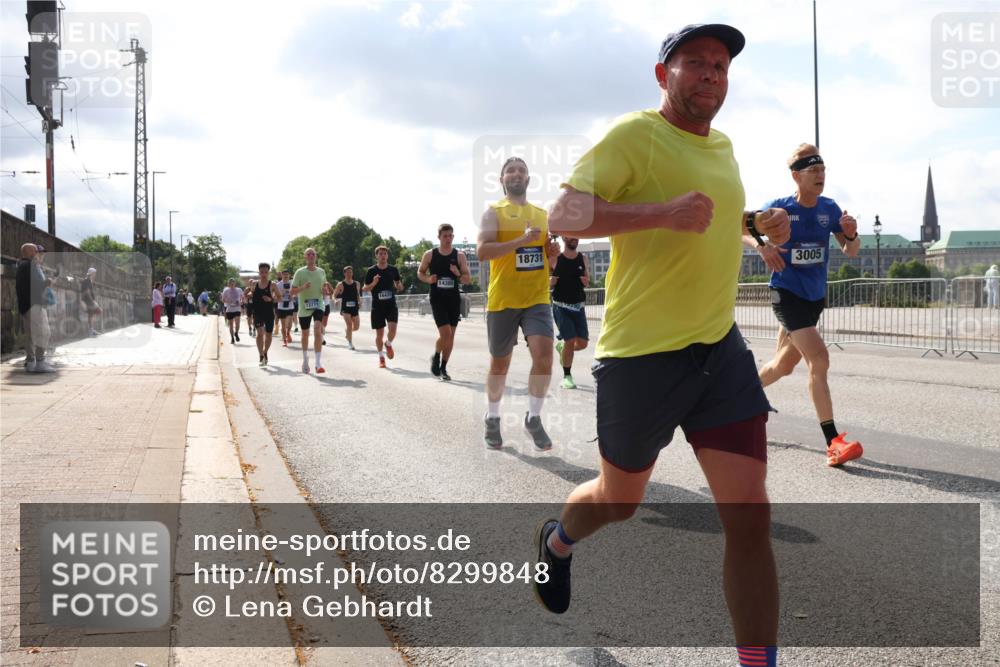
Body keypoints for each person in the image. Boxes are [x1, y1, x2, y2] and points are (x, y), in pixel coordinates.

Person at [536, 25, 791, 667]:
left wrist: (758, 225)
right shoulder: (635, 135)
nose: (711, 74)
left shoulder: (725, 145)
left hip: (719, 352)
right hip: (641, 357)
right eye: (695, 63)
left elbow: (711, 217)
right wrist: (658, 213)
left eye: (721, 66)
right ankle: (559, 541)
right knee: (619, 502)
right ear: (663, 75)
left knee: (750, 518)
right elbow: (562, 217)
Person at [752, 144, 863, 468]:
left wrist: (852, 234)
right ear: (796, 176)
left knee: (782, 367)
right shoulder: (779, 208)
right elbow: (747, 228)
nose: (821, 175)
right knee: (819, 358)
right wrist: (763, 246)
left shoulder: (830, 207)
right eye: (813, 171)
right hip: (786, 293)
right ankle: (833, 443)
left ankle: (734, 399)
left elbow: (851, 251)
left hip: (815, 298)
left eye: (823, 170)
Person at [476, 157, 559, 450]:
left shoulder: (542, 215)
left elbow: (548, 259)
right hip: (504, 299)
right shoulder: (493, 213)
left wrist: (553, 251)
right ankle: (493, 417)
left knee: (545, 356)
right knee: (500, 364)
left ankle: (533, 418)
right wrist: (520, 241)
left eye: (522, 170)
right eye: (510, 170)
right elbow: (483, 251)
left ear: (528, 178)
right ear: (502, 180)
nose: (516, 174)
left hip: (536, 298)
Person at [418, 224, 471, 381]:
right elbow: (420, 272)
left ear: (453, 237)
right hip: (437, 298)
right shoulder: (430, 254)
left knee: (451, 336)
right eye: (445, 236)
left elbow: (467, 279)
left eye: (450, 236)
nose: (448, 239)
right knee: (446, 333)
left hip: (453, 299)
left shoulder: (459, 255)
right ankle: (436, 356)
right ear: (439, 237)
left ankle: (443, 367)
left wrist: (458, 274)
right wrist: (428, 279)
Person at [549, 236, 591, 389]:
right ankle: (567, 376)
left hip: (578, 307)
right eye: (571, 236)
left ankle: (562, 349)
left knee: (583, 344)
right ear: (564, 237)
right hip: (561, 306)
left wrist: (586, 281)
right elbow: (544, 280)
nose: (575, 238)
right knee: (570, 339)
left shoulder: (583, 258)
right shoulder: (555, 259)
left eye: (577, 236)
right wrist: (551, 281)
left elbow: (587, 279)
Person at [362, 246, 404, 368]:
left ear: (387, 256)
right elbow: (364, 288)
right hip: (377, 307)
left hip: (391, 305)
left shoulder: (393, 269)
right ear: (376, 256)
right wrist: (374, 283)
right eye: (380, 254)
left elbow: (398, 283)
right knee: (379, 334)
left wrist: (400, 286)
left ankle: (388, 343)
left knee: (393, 330)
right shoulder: (371, 271)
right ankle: (381, 357)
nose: (383, 256)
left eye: (385, 253)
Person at [16, 243, 54, 372]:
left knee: (31, 335)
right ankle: (40, 362)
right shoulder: (31, 265)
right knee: (44, 333)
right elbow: (37, 286)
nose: (37, 252)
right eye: (35, 250)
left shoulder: (22, 265)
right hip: (35, 304)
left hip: (25, 305)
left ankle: (31, 362)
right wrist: (47, 283)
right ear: (31, 252)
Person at [291, 247, 327, 374]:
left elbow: (323, 288)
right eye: (308, 254)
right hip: (304, 307)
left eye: (313, 254)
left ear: (315, 256)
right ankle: (305, 359)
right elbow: (292, 292)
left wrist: (324, 291)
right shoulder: (300, 273)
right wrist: (303, 287)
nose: (311, 256)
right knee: (305, 334)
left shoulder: (321, 272)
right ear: (305, 257)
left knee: (317, 330)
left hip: (318, 305)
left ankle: (318, 363)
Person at [251, 263, 281, 366]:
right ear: (259, 272)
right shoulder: (254, 284)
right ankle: (260, 355)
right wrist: (249, 295)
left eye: (265, 272)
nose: (263, 274)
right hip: (258, 312)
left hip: (269, 313)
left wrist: (271, 299)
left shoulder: (272, 285)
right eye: (261, 272)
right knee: (260, 333)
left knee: (268, 334)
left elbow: (280, 298)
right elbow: (248, 294)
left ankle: (265, 352)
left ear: (268, 273)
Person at [333, 266, 361, 350]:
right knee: (349, 324)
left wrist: (359, 301)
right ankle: (350, 343)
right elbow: (334, 294)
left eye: (351, 272)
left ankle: (348, 333)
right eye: (348, 272)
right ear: (344, 273)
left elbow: (357, 294)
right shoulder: (340, 284)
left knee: (356, 327)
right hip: (345, 308)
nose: (349, 274)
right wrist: (335, 300)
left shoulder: (357, 284)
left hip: (355, 307)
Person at [275, 269, 296, 346]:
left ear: (289, 275)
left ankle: (288, 333)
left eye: (287, 275)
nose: (286, 276)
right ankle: (284, 340)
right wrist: (281, 294)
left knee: (290, 324)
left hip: (290, 306)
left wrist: (292, 296)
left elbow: (295, 293)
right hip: (281, 307)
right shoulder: (278, 284)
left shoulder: (292, 283)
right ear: (282, 275)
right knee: (283, 325)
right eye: (284, 275)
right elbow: (274, 296)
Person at [80, 267, 102, 336]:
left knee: (92, 315)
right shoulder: (86, 280)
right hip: (88, 301)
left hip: (89, 300)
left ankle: (91, 330)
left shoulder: (89, 281)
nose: (95, 275)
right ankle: (91, 331)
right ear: (92, 273)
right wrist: (92, 301)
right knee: (96, 312)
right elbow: (87, 291)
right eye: (94, 273)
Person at [221, 278, 244, 343]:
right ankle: (232, 338)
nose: (231, 284)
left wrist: (241, 302)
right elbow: (223, 299)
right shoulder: (226, 291)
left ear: (235, 283)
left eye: (233, 283)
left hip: (237, 308)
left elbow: (243, 297)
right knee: (231, 324)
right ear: (228, 284)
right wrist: (227, 301)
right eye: (230, 283)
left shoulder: (239, 290)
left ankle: (236, 333)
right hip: (229, 309)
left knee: (237, 323)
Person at [321, 280, 335, 346]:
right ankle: (322, 339)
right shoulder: (317, 284)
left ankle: (322, 330)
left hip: (326, 305)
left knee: (325, 323)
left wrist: (329, 285)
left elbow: (332, 292)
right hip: (320, 305)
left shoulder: (327, 284)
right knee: (319, 322)